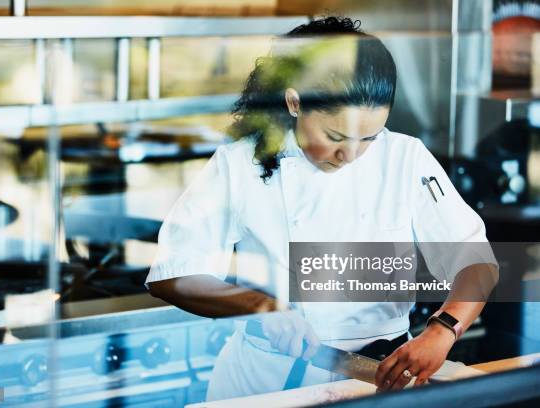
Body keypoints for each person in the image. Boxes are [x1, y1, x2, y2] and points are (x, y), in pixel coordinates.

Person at [146, 16, 497, 401]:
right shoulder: (239, 163)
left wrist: (443, 329)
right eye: (336, 137)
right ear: (295, 103)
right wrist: (261, 307)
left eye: (369, 137)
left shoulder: (405, 157)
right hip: (267, 381)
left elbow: (475, 259)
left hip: (383, 375)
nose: (351, 154)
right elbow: (175, 273)